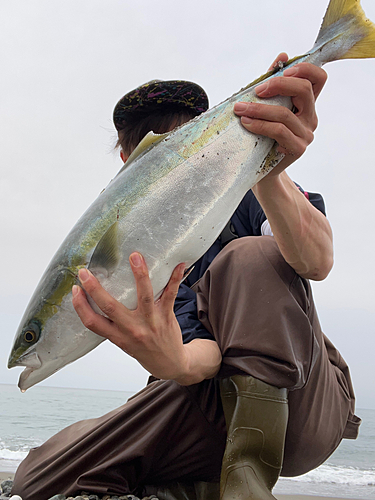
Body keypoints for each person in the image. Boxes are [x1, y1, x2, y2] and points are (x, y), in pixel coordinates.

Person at [12, 54, 361, 500]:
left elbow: (317, 261)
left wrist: (270, 173)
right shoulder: (129, 254)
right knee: (37, 479)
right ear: (128, 159)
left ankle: (244, 488)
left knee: (249, 256)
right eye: (147, 146)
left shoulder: (254, 189)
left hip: (303, 402)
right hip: (201, 401)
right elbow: (202, 355)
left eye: (177, 138)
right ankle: (191, 485)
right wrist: (172, 362)